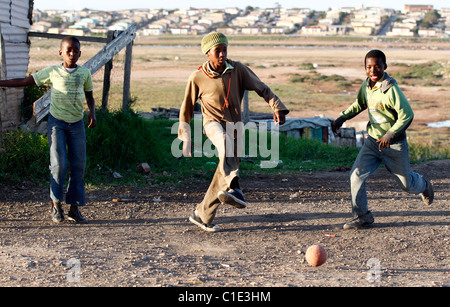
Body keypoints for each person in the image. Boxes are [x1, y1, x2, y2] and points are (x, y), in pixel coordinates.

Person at [178, 32, 289, 232]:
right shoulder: (197, 77)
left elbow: (261, 87)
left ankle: (202, 215)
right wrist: (185, 137)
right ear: (207, 54)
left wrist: (277, 106)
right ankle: (236, 187)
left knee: (223, 170)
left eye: (224, 50)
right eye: (217, 51)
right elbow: (185, 109)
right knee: (223, 144)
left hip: (235, 127)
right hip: (212, 124)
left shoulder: (237, 70)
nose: (222, 54)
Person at [332, 49, 434, 230]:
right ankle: (362, 217)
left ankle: (424, 185)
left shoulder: (391, 89)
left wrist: (390, 135)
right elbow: (360, 104)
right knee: (355, 176)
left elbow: (407, 115)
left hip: (394, 145)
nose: (373, 70)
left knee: (407, 185)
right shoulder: (367, 86)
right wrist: (342, 118)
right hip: (372, 143)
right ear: (365, 68)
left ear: (385, 67)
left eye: (377, 66)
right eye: (369, 67)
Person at [0, 36, 96, 223]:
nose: (72, 54)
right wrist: (1, 82)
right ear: (61, 52)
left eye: (76, 50)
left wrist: (92, 112)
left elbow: (89, 95)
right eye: (68, 50)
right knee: (58, 164)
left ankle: (74, 209)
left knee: (78, 166)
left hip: (76, 124)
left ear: (80, 53)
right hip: (57, 124)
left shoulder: (84, 73)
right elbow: (26, 81)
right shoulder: (53, 72)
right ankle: (56, 206)